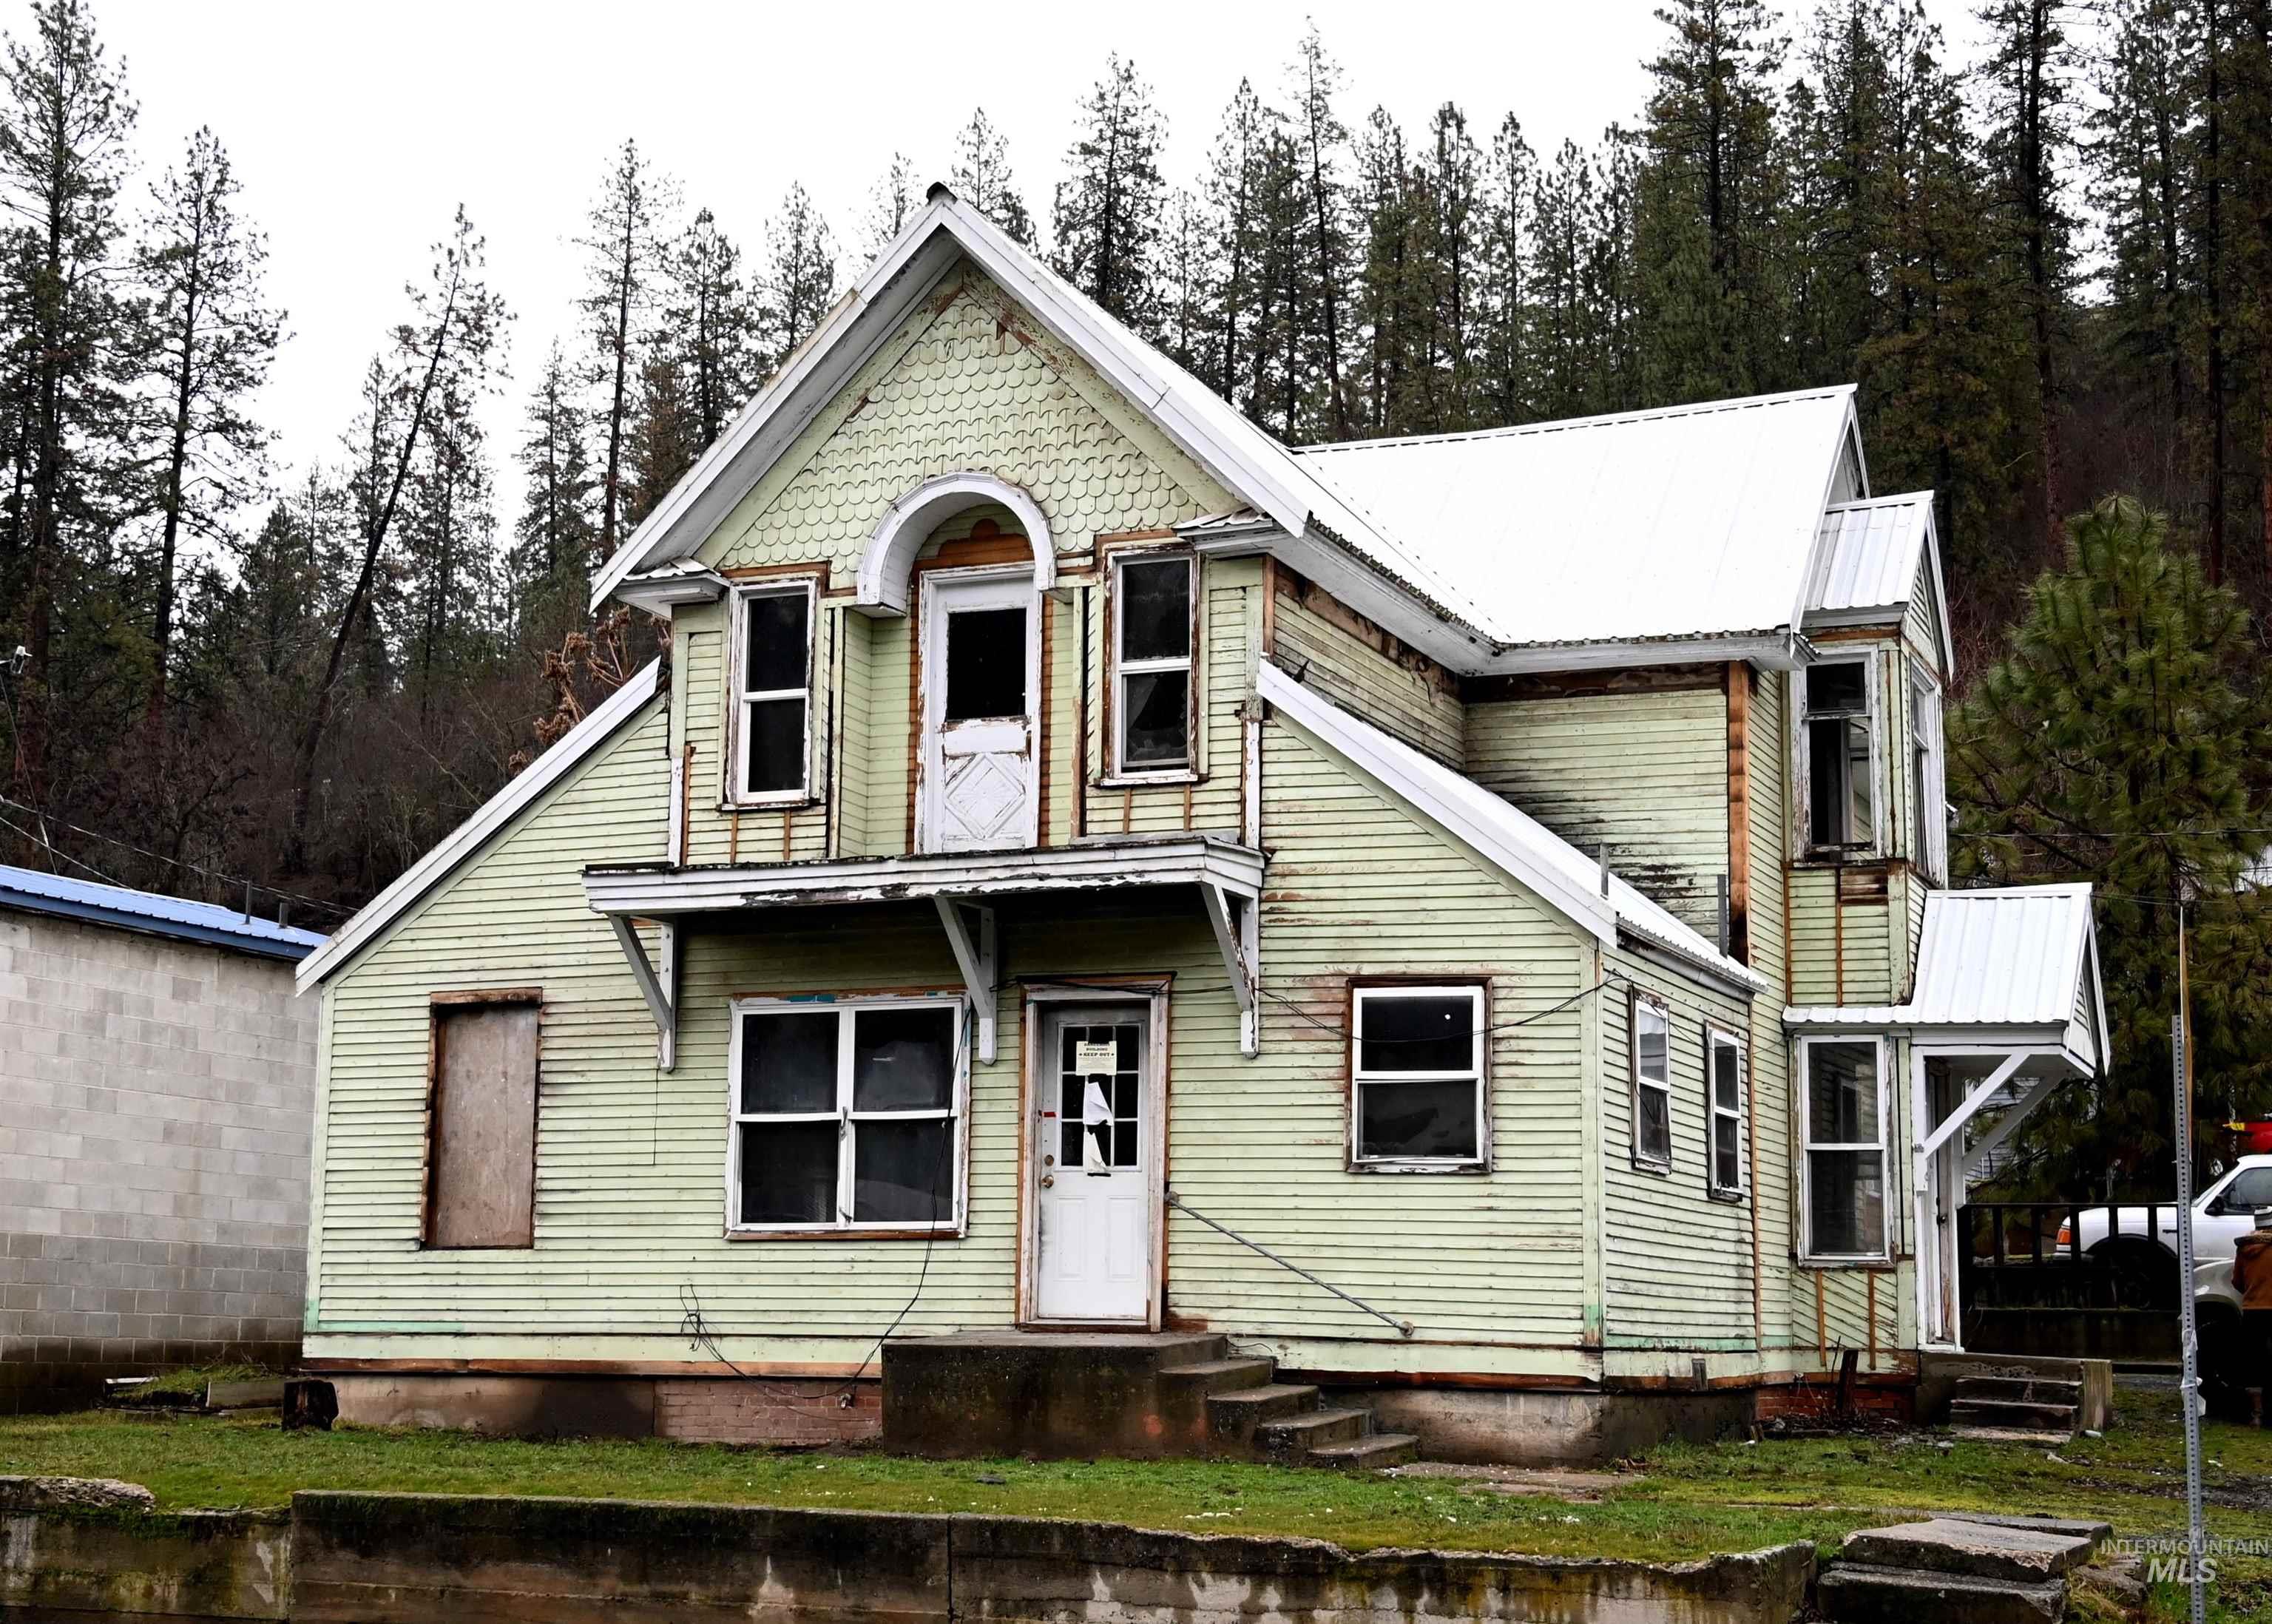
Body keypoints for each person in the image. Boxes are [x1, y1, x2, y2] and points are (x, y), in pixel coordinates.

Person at [2234, 1207, 2272, 1423]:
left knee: (2254, 1362)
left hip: (2252, 1311)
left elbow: (2237, 1282)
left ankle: (2256, 1413)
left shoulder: (2244, 1249)